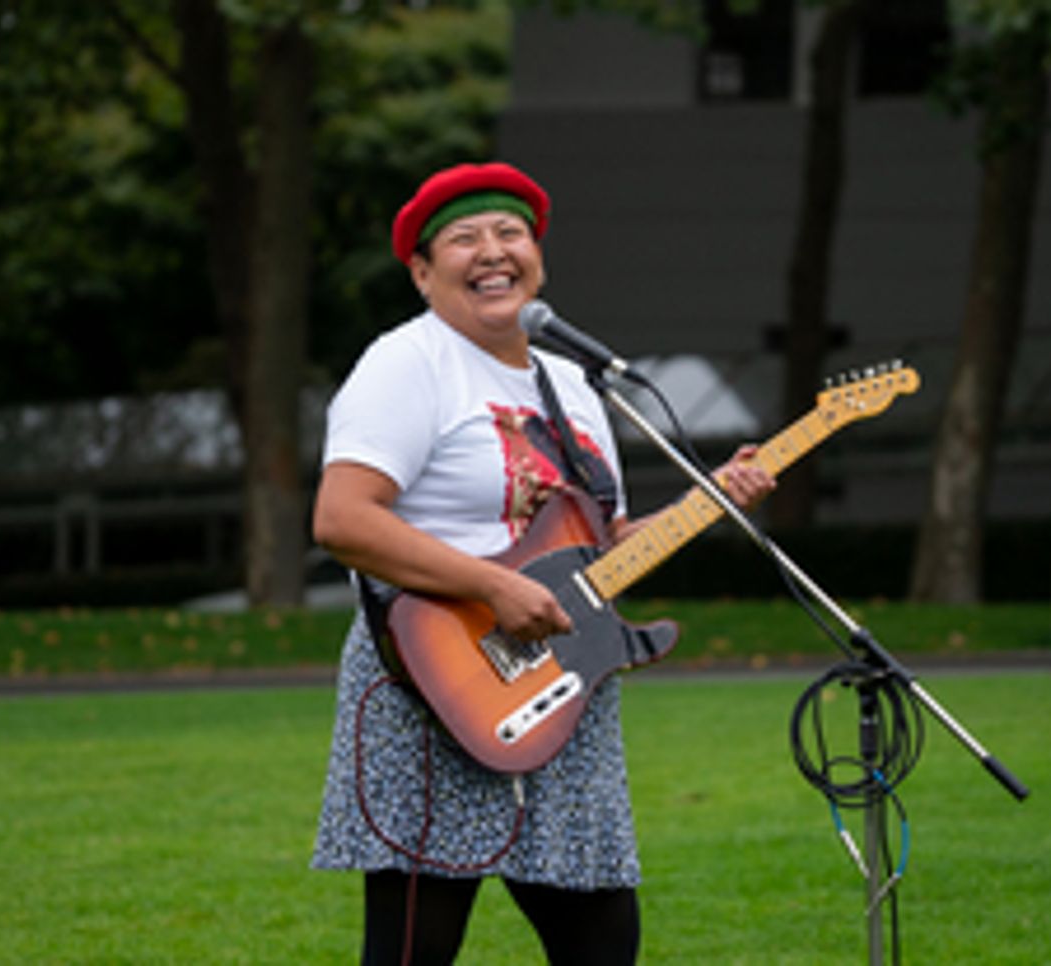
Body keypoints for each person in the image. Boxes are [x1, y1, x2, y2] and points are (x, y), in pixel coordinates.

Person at [308, 161, 776, 965]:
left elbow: (602, 551)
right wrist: (494, 586)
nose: (493, 251)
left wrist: (711, 502)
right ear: (422, 273)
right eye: (464, 238)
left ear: (539, 259)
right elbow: (342, 519)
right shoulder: (409, 362)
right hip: (434, 683)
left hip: (563, 683)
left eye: (510, 233)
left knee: (602, 940)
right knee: (414, 947)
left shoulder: (573, 384)